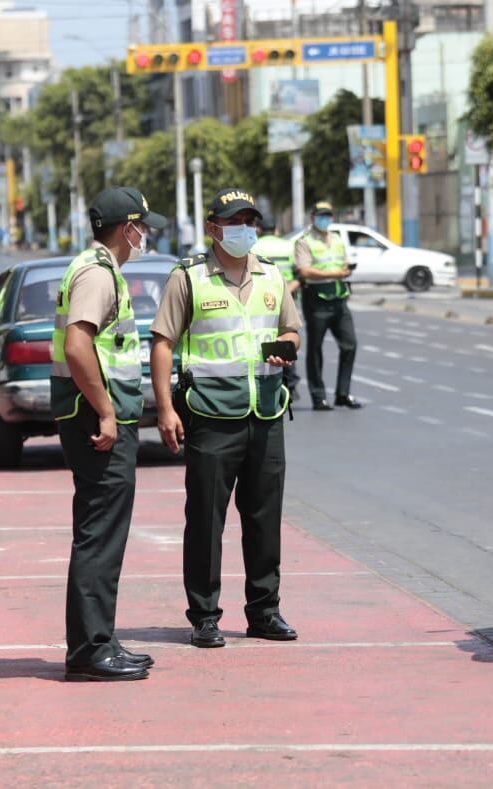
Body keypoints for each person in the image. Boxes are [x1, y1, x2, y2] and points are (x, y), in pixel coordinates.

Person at [151, 187, 302, 649]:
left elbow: (290, 329)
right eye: (235, 221)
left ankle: (264, 611)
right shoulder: (189, 278)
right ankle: (204, 616)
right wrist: (163, 408)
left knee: (264, 519)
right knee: (206, 521)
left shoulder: (273, 277)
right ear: (214, 228)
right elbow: (162, 342)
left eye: (251, 221)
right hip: (211, 413)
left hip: (266, 412)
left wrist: (288, 350)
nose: (245, 229)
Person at [51, 186, 166, 682]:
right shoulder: (97, 275)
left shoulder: (97, 268)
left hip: (96, 417)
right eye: (143, 226)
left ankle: (100, 638)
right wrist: (104, 412)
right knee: (99, 534)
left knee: (101, 531)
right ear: (127, 228)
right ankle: (90, 649)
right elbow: (78, 347)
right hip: (97, 422)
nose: (147, 235)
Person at [295, 201, 361, 411]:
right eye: (321, 215)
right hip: (317, 299)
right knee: (315, 349)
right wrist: (335, 274)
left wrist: (345, 270)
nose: (325, 219)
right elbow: (304, 271)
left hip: (339, 297)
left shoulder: (337, 239)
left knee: (350, 344)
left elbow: (343, 261)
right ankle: (318, 396)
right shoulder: (304, 242)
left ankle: (342, 393)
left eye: (328, 215)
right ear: (313, 217)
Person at [251, 213, 302, 403]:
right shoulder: (289, 246)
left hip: (259, 302)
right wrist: (286, 291)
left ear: (259, 230)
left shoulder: (254, 247)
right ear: (277, 230)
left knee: (264, 340)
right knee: (287, 338)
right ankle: (291, 385)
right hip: (288, 296)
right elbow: (300, 274)